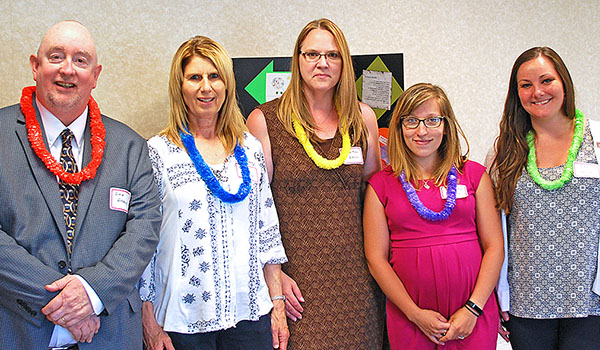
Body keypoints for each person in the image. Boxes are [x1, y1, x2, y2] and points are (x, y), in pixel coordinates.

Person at [0, 21, 162, 350]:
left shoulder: (129, 146)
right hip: (17, 330)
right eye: (56, 57)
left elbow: (145, 227)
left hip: (111, 335)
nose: (68, 70)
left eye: (80, 60)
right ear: (35, 66)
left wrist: (93, 292)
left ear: (96, 74)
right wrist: (70, 303)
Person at [139, 35, 288, 350]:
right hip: (183, 319)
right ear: (180, 87)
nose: (206, 87)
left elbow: (267, 231)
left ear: (227, 85)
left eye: (214, 76)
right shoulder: (159, 152)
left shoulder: (249, 147)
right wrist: (148, 320)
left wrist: (277, 303)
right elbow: (145, 242)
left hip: (250, 314)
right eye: (195, 77)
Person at [247, 18, 385, 349]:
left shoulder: (362, 118)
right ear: (297, 59)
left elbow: (376, 195)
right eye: (312, 54)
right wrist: (275, 279)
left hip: (359, 283)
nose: (322, 63)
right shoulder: (265, 121)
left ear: (344, 63)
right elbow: (252, 214)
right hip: (297, 286)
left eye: (333, 55)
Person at [364, 83, 504, 349]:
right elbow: (376, 259)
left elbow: (495, 247)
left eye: (432, 120)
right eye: (412, 121)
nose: (422, 131)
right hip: (410, 319)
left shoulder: (475, 175)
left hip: (473, 318)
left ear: (446, 125)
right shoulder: (380, 185)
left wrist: (473, 309)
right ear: (399, 127)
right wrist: (415, 314)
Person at [490, 47, 600, 349]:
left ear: (563, 82)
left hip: (590, 302)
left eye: (546, 80)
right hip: (527, 304)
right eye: (525, 85)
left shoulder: (597, 141)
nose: (537, 92)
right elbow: (496, 232)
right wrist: (499, 296)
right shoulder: (505, 152)